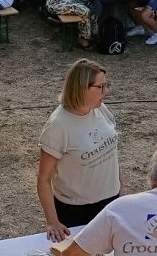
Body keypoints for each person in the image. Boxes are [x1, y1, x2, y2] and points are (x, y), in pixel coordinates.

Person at [37, 59, 121, 241]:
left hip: (110, 201)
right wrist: (52, 221)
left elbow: (112, 157)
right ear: (82, 87)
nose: (105, 92)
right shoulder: (58, 126)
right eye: (100, 87)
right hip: (76, 211)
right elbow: (44, 179)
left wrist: (121, 194)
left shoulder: (100, 109)